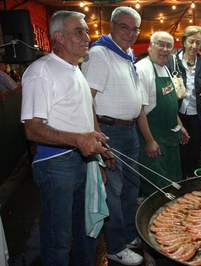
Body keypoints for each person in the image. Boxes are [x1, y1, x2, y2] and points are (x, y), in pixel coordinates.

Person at [20, 11, 110, 266]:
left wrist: (99, 151)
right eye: (78, 31)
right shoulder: (41, 71)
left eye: (86, 31)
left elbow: (85, 110)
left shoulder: (75, 68)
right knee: (58, 237)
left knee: (83, 232)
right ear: (58, 38)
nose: (87, 37)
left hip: (82, 161)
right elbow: (33, 129)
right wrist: (78, 140)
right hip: (55, 165)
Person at [81, 6, 143, 265]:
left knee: (131, 187)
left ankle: (129, 235)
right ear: (112, 26)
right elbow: (88, 101)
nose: (130, 33)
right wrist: (97, 139)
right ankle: (116, 246)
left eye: (135, 29)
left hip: (130, 130)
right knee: (114, 191)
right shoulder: (99, 53)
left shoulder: (127, 54)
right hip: (109, 132)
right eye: (124, 27)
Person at [136, 31, 189, 197]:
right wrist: (149, 141)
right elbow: (139, 111)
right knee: (157, 192)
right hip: (155, 143)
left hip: (170, 141)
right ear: (150, 46)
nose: (165, 49)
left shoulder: (165, 67)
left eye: (169, 46)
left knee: (173, 187)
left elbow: (170, 104)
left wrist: (180, 126)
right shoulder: (142, 69)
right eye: (161, 44)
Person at [165, 25, 201, 178]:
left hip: (197, 116)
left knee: (194, 154)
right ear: (184, 41)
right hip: (175, 115)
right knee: (177, 153)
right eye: (191, 41)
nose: (194, 46)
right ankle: (179, 185)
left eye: (198, 43)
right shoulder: (172, 62)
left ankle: (191, 185)